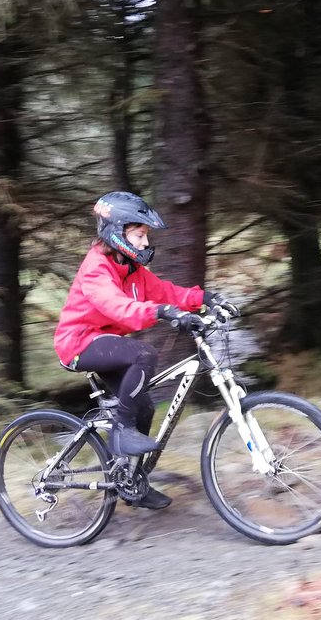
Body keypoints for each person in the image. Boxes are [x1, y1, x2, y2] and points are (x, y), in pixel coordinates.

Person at [54, 191, 237, 510]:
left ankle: (131, 481)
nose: (143, 242)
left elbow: (164, 290)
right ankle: (122, 433)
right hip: (79, 342)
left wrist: (205, 298)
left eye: (145, 236)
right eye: (139, 235)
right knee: (144, 354)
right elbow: (118, 307)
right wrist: (162, 313)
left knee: (145, 408)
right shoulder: (96, 269)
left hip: (107, 343)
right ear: (117, 232)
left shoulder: (130, 268)